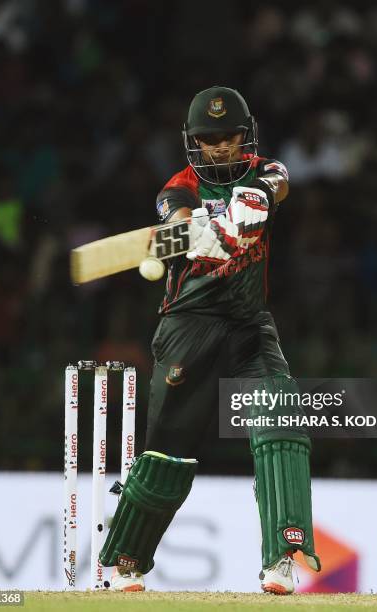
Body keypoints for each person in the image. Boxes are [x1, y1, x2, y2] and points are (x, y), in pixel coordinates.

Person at [99, 86, 321, 595]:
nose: (219, 147)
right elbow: (174, 221)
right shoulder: (178, 189)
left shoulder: (268, 171)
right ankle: (128, 560)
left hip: (249, 324)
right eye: (208, 139)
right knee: (168, 453)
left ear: (246, 136)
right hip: (189, 325)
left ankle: (281, 559)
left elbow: (278, 184)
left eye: (229, 137)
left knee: (281, 417)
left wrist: (256, 200)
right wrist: (205, 233)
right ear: (193, 142)